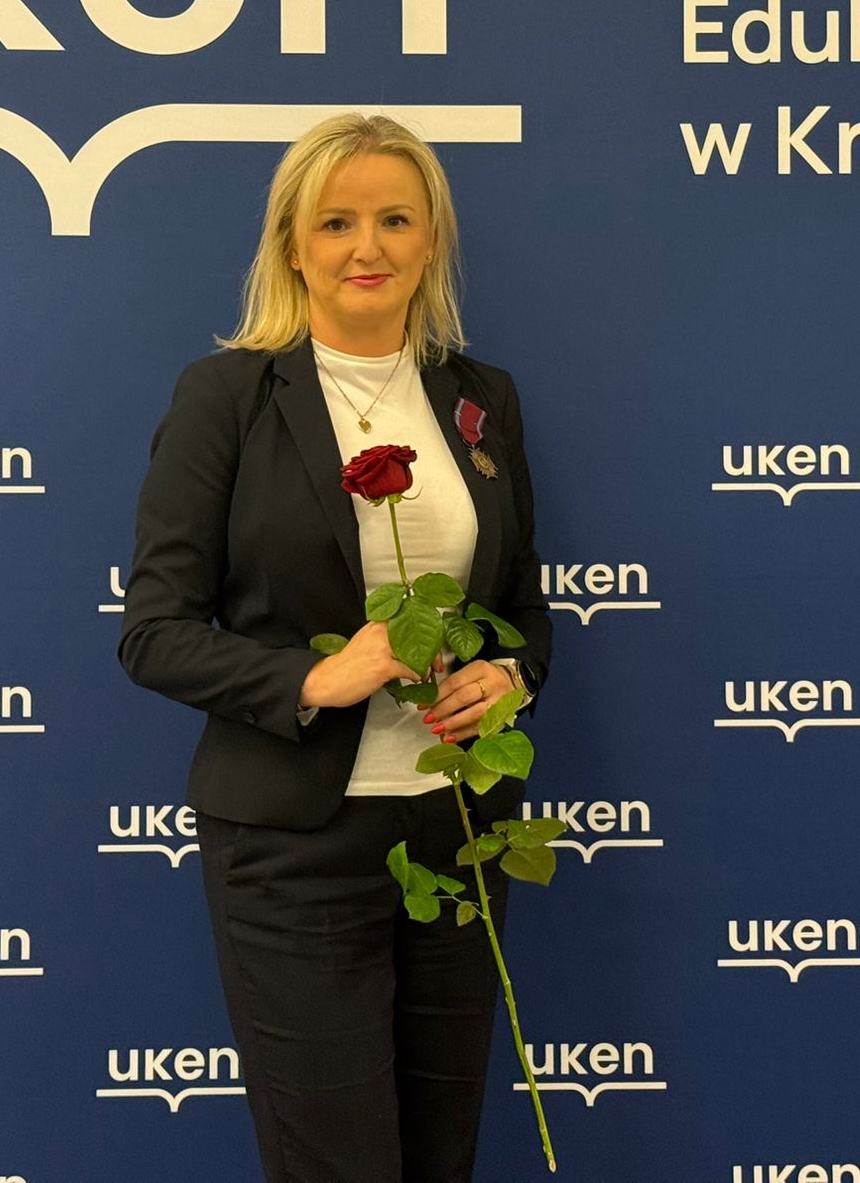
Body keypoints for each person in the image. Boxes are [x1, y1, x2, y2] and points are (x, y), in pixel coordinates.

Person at [117, 112, 552, 1183]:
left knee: (440, 1158)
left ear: (431, 240)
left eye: (395, 219)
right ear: (292, 245)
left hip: (457, 830)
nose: (369, 247)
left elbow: (524, 606)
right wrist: (317, 676)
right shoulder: (225, 397)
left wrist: (509, 676)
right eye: (337, 222)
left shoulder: (480, 399)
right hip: (293, 847)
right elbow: (154, 633)